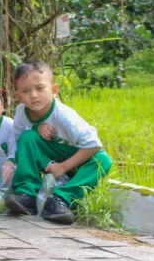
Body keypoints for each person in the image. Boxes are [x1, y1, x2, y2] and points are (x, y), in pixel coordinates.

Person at [7, 61, 113, 225]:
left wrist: (63, 167)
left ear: (54, 90)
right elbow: (21, 144)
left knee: (103, 160)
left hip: (76, 159)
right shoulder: (21, 112)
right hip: (51, 158)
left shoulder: (64, 115)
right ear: (18, 97)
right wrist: (35, 128)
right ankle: (27, 195)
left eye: (40, 88)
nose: (33, 95)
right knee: (27, 137)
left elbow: (94, 144)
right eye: (26, 91)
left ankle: (61, 199)